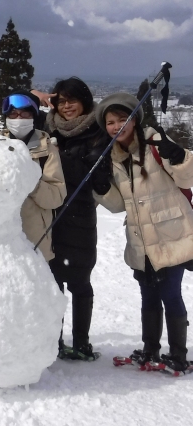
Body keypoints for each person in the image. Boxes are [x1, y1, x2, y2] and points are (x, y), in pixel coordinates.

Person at [94, 93, 193, 372]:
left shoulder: (155, 142)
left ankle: (177, 354)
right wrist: (101, 186)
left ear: (134, 118)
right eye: (110, 122)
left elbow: (187, 177)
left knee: (170, 293)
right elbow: (116, 205)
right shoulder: (113, 155)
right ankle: (151, 348)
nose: (116, 126)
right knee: (148, 295)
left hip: (172, 234)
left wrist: (179, 157)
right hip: (140, 240)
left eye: (122, 118)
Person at [39, 78, 108, 361]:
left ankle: (81, 342)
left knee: (80, 282)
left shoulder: (98, 132)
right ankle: (53, 341)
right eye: (61, 101)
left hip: (80, 217)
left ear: (85, 102)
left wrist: (90, 165)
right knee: (51, 284)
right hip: (50, 216)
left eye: (72, 101)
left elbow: (101, 184)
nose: (67, 107)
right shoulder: (46, 129)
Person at [0, 91, 66, 263]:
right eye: (13, 114)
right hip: (2, 240)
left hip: (37, 243)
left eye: (24, 113)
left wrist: (30, 178)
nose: (18, 118)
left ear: (33, 116)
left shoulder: (47, 150)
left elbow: (56, 197)